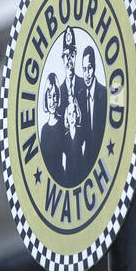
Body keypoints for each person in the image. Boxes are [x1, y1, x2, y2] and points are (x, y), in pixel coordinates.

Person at [57, 28, 87, 183]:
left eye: (72, 55)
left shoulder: (86, 86)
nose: (69, 60)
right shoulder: (58, 94)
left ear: (76, 57)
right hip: (68, 169)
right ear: (62, 59)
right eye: (66, 56)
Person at [78, 45, 108, 179]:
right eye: (84, 69)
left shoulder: (106, 94)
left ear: (94, 67)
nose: (87, 74)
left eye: (89, 68)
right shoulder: (79, 97)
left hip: (106, 162)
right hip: (86, 167)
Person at [38, 73, 66, 184]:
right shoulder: (44, 129)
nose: (53, 100)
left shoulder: (63, 123)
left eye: (55, 96)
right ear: (45, 98)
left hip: (61, 181)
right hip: (45, 182)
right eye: (49, 96)